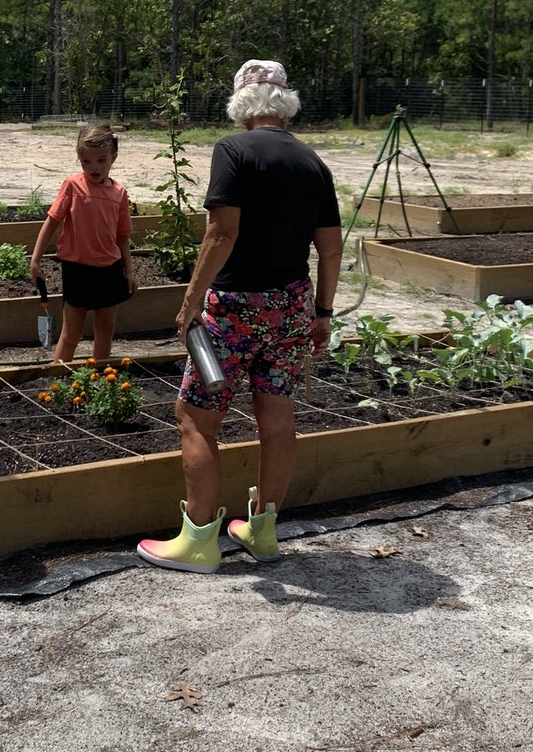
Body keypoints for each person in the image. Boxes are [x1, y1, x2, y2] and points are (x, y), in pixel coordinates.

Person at [137, 60, 343, 574]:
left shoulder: (233, 150)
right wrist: (322, 313)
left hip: (234, 308)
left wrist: (190, 302)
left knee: (197, 418)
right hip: (291, 306)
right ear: (285, 102)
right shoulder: (313, 162)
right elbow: (331, 249)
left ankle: (197, 541)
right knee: (277, 419)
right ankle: (262, 531)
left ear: (241, 103)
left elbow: (222, 233)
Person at [30, 123, 138, 362]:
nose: (94, 167)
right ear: (79, 159)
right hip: (78, 270)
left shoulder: (119, 193)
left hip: (110, 270)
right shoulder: (73, 186)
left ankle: (99, 376)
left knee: (105, 331)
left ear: (113, 157)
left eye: (101, 160)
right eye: (86, 162)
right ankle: (59, 378)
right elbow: (52, 222)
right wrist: (35, 260)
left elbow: (122, 236)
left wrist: (129, 271)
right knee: (71, 333)